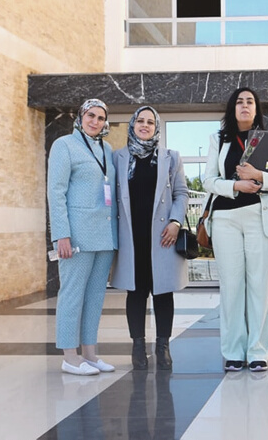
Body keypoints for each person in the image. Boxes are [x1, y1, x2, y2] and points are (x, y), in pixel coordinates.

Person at [203, 87, 268, 372]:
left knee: (259, 288)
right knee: (231, 287)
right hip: (226, 220)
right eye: (239, 102)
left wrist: (258, 176)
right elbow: (208, 181)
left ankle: (257, 352)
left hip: (260, 217)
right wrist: (235, 186)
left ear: (256, 109)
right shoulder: (219, 140)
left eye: (249, 102)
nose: (244, 105)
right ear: (233, 108)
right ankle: (233, 352)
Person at [112, 106, 189, 371]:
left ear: (157, 127)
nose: (145, 125)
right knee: (135, 292)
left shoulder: (171, 157)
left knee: (162, 292)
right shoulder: (117, 158)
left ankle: (163, 346)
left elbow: (182, 194)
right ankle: (137, 346)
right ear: (132, 124)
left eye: (150, 122)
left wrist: (175, 222)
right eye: (140, 121)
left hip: (162, 236)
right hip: (130, 236)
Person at [48, 99, 118, 376]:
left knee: (95, 297)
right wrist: (61, 235)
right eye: (91, 115)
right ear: (80, 116)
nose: (95, 122)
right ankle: (69, 356)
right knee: (72, 294)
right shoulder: (64, 145)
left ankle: (90, 354)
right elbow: (56, 192)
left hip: (104, 235)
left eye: (101, 118)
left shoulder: (107, 148)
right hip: (76, 234)